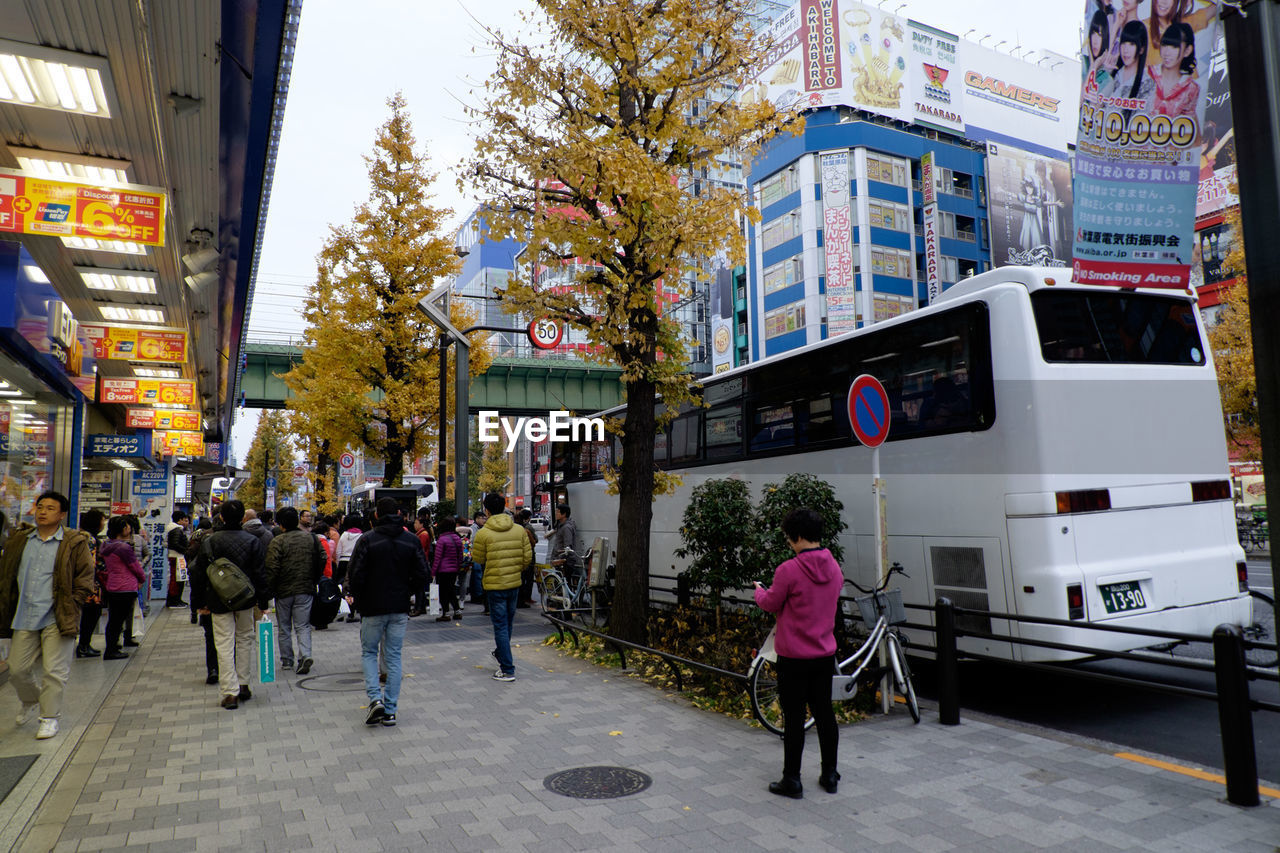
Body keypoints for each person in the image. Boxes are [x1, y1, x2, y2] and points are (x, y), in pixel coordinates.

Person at [752, 507, 842, 799]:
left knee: (794, 719)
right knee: (825, 714)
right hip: (824, 655)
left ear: (798, 536)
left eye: (789, 536)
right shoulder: (834, 567)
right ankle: (830, 774)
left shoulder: (788, 570)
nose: (788, 541)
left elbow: (770, 603)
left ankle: (792, 780)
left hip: (793, 658)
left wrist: (758, 591)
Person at [0, 491, 95, 740]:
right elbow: (6, 575)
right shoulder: (20, 540)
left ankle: (49, 718)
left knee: (54, 670)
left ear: (62, 514)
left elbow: (85, 577)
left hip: (58, 614)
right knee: (17, 668)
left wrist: (74, 603)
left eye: (50, 508)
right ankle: (31, 699)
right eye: (40, 507)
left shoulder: (73, 542)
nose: (43, 511)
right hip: (24, 613)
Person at [348, 497, 428, 727]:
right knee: (393, 656)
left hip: (372, 606)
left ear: (375, 515)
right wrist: (407, 591)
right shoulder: (411, 540)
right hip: (399, 606)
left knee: (369, 653)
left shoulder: (367, 540)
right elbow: (423, 574)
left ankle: (375, 699)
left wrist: (359, 599)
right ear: (401, 513)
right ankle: (391, 709)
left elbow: (356, 574)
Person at [190, 500, 270, 710]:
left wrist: (199, 603)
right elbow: (261, 574)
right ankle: (244, 684)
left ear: (222, 518)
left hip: (218, 599)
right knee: (245, 638)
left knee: (224, 643)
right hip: (245, 599)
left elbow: (199, 574)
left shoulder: (211, 541)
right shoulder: (253, 541)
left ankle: (229, 692)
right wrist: (263, 601)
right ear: (243, 517)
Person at [471, 494, 532, 683]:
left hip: (494, 584)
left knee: (500, 626)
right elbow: (526, 558)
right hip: (514, 583)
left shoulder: (483, 533)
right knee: (508, 624)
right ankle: (501, 653)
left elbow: (478, 560)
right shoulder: (519, 530)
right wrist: (515, 570)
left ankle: (507, 669)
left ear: (487, 510)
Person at [265, 506, 325, 676]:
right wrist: (315, 576)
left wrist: (270, 588)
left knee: (284, 626)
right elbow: (322, 557)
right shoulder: (310, 539)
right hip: (305, 587)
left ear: (281, 524)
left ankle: (286, 660)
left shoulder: (278, 541)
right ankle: (305, 655)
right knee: (303, 625)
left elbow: (271, 567)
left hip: (283, 590)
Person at [100, 515, 147, 660]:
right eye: (126, 526)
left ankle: (112, 646)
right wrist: (142, 578)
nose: (129, 528)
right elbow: (135, 567)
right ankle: (112, 650)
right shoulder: (123, 547)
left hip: (113, 585)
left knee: (113, 620)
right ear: (123, 529)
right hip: (126, 586)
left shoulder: (106, 545)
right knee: (119, 620)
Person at [1101, 20, 1155, 114]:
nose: (1125, 50)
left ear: (1141, 49)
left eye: (1132, 44)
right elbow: (1094, 104)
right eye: (1123, 43)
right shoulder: (1113, 74)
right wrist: (1106, 73)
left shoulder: (1147, 85)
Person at [1149, 22, 1198, 118]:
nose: (1167, 52)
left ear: (1187, 50)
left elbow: (1188, 123)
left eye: (1174, 47)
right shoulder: (1147, 74)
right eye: (1164, 45)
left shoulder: (1191, 89)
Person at [75, 509, 107, 658]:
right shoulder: (91, 540)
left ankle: (84, 644)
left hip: (82, 581)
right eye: (102, 520)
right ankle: (83, 645)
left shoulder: (79, 536)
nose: (104, 523)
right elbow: (93, 564)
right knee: (91, 613)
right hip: (90, 583)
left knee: (87, 614)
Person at [431, 516, 464, 621]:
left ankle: (446, 613)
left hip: (443, 570)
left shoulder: (442, 539)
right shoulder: (457, 538)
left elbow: (437, 558)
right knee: (451, 590)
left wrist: (433, 571)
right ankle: (457, 611)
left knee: (443, 592)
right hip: (453, 570)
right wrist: (458, 568)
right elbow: (460, 556)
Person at [336, 514, 366, 622]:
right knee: (355, 586)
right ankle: (354, 610)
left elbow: (338, 551)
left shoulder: (344, 535)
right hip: (356, 562)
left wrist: (339, 563)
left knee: (343, 586)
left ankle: (344, 609)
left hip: (344, 561)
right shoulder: (362, 536)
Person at [546, 503, 583, 582]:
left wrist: (562, 557)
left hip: (565, 560)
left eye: (558, 512)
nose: (556, 514)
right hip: (562, 559)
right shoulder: (561, 525)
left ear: (564, 514)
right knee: (563, 582)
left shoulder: (566, 527)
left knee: (565, 582)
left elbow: (568, 545)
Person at [125, 514, 151, 618]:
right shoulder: (115, 541)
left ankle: (138, 614)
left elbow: (148, 554)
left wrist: (141, 565)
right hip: (127, 574)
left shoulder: (139, 539)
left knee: (137, 593)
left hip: (136, 572)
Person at [165, 510, 191, 607]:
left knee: (178, 579)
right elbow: (175, 544)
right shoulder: (176, 530)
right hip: (176, 557)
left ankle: (176, 600)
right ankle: (173, 601)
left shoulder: (175, 529)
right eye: (184, 520)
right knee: (176, 579)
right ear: (179, 520)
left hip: (176, 556)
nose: (185, 522)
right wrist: (185, 550)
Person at [516, 509, 538, 608]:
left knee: (520, 578)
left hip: (517, 556)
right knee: (528, 577)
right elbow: (534, 542)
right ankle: (525, 598)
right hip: (528, 555)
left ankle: (520, 599)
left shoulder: (513, 529)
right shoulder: (527, 529)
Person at [468, 511, 487, 611]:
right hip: (475, 555)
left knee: (479, 575)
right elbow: (473, 541)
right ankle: (477, 595)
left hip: (481, 554)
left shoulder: (483, 528)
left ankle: (478, 595)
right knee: (477, 574)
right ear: (476, 519)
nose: (484, 520)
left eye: (485, 518)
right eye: (482, 518)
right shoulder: (473, 528)